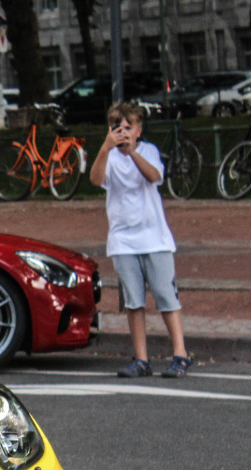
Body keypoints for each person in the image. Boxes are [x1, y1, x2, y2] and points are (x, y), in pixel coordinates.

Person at [89, 101, 191, 378]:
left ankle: (180, 354)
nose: (122, 133)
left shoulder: (148, 151)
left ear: (138, 130)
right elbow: (96, 180)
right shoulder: (108, 156)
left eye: (128, 128)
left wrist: (132, 152)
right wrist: (105, 148)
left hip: (155, 239)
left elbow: (154, 176)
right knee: (133, 302)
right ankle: (141, 358)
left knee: (166, 298)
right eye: (116, 128)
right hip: (123, 240)